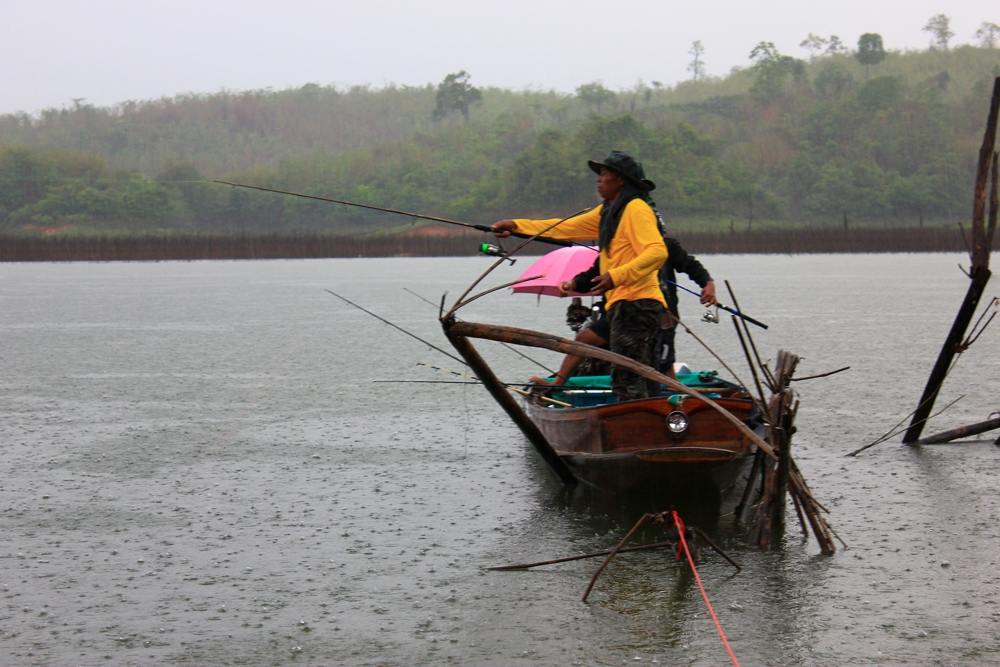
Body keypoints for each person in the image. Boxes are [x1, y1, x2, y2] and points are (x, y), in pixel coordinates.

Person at [493, 150, 667, 401]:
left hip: (638, 304)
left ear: (621, 180)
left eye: (605, 175)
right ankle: (644, 423)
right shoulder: (609, 211)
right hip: (622, 304)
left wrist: (616, 276)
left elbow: (657, 252)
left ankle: (636, 429)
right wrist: (517, 226)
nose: (598, 180)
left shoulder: (635, 209)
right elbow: (564, 227)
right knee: (636, 374)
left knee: (628, 377)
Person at [528, 237, 716, 386]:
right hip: (621, 311)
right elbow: (594, 273)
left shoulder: (663, 244)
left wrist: (707, 283)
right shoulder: (616, 246)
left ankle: (681, 401)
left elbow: (690, 265)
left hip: (660, 314)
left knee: (664, 365)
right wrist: (573, 284)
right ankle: (557, 383)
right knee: (584, 340)